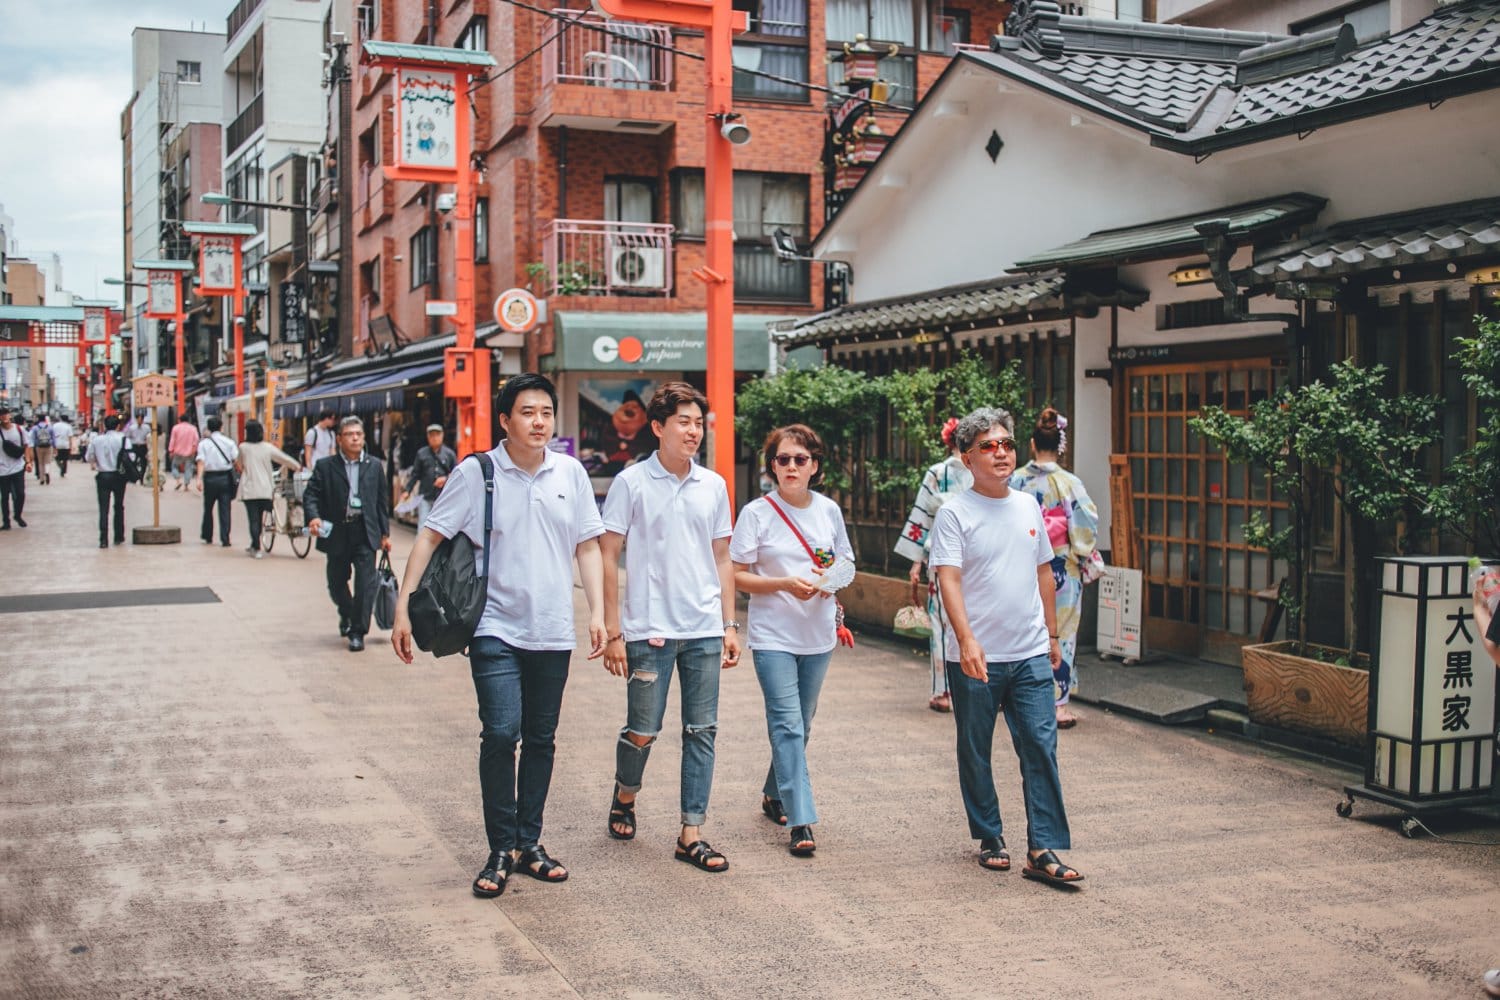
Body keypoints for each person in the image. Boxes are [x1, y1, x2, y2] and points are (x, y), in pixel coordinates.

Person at [391, 373, 606, 897]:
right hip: (494, 626)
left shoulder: (570, 473)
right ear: (505, 420)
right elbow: (430, 537)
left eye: (546, 413)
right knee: (502, 733)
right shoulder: (477, 472)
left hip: (552, 629)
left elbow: (587, 546)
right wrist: (402, 607)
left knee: (540, 739)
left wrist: (598, 612)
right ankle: (500, 848)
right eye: (528, 412)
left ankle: (529, 844)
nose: (539, 422)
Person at [930, 406, 1083, 887]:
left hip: (1030, 651)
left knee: (1040, 744)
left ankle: (1042, 848)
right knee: (975, 748)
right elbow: (948, 580)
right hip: (977, 655)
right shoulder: (954, 513)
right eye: (988, 447)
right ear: (967, 457)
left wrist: (1052, 636)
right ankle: (990, 835)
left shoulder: (1027, 506)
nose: (1001, 454)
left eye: (1007, 445)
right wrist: (966, 640)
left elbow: (1044, 572)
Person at [599, 382, 740, 873]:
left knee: (702, 731)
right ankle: (625, 794)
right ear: (658, 427)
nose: (693, 431)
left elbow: (723, 557)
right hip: (649, 629)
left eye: (698, 423)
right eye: (684, 422)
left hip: (703, 628)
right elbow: (608, 554)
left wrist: (729, 624)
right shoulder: (631, 483)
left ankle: (691, 833)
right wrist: (613, 631)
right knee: (643, 729)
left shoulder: (714, 485)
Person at [731, 424, 853, 858]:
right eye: (782, 459)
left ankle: (773, 792)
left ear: (814, 466)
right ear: (772, 466)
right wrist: (782, 583)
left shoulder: (828, 511)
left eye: (801, 459)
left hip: (818, 636)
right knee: (787, 724)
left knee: (802, 723)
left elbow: (846, 563)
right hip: (773, 637)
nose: (791, 467)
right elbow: (737, 575)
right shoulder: (756, 514)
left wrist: (826, 582)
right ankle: (801, 819)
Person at [1009, 408, 1101, 730]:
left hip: (1021, 565)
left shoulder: (1016, 480)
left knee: (1023, 630)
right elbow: (1087, 524)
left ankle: (1020, 699)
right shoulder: (1069, 483)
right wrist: (1079, 551)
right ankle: (1058, 706)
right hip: (1061, 567)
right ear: (1061, 446)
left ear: (1033, 444)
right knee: (1062, 634)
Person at [895, 417, 973, 713]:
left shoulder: (937, 474)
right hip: (979, 559)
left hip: (942, 558)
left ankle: (943, 691)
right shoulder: (982, 471)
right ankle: (978, 685)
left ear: (948, 441)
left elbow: (922, 519)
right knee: (977, 621)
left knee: (942, 623)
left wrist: (917, 562)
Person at [305, 416, 391, 652]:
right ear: (339, 439)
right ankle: (347, 611)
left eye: (358, 434)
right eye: (349, 434)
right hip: (338, 532)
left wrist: (385, 534)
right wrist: (313, 517)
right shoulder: (325, 466)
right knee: (335, 583)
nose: (355, 438)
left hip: (365, 532)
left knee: (365, 585)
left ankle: (357, 631)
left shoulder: (374, 465)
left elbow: (381, 501)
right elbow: (311, 494)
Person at [236, 419, 301, 558]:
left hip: (249, 489)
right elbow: (283, 458)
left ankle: (256, 547)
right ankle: (255, 544)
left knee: (253, 519)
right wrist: (296, 466)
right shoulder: (267, 447)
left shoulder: (243, 447)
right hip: (265, 489)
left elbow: (239, 465)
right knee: (260, 516)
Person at [85, 414, 130, 547]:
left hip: (103, 475)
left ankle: (103, 539)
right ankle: (118, 536)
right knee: (119, 506)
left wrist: (99, 461)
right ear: (118, 426)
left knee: (103, 508)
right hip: (119, 476)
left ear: (105, 426)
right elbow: (131, 457)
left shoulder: (96, 440)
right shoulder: (123, 439)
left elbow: (89, 457)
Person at [400, 424, 457, 530]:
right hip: (425, 496)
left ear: (442, 436)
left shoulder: (449, 454)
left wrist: (445, 479)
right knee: (423, 526)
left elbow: (456, 474)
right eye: (432, 435)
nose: (434, 438)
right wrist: (407, 490)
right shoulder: (421, 454)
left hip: (443, 498)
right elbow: (415, 474)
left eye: (437, 435)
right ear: (428, 437)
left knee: (442, 528)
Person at [195, 417, 239, 547]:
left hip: (210, 478)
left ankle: (207, 535)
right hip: (225, 478)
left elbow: (201, 462)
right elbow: (236, 460)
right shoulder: (229, 442)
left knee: (208, 508)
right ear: (221, 427)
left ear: (208, 428)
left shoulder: (203, 444)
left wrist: (199, 479)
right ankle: (225, 538)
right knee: (225, 508)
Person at [0, 406, 31, 529]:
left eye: (5, 413)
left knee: (20, 494)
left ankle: (17, 515)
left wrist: (28, 462)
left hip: (18, 467)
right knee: (4, 497)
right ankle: (6, 522)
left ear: (10, 415)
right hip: (2, 469)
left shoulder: (19, 429)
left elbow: (27, 446)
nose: (3, 416)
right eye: (1, 414)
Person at [168, 415, 200, 491]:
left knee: (174, 466)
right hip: (190, 452)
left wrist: (171, 450)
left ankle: (178, 480)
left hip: (178, 452)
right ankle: (186, 486)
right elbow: (196, 440)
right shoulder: (193, 428)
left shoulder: (175, 428)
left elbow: (172, 440)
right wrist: (194, 450)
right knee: (188, 468)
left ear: (180, 420)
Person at [30, 416, 55, 485]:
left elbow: (33, 439)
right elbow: (53, 438)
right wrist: (55, 447)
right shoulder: (50, 427)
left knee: (40, 463)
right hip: (48, 446)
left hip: (39, 447)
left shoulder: (35, 428)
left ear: (38, 419)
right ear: (45, 419)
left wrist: (33, 447)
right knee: (47, 462)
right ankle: (47, 472)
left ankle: (42, 479)